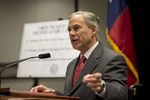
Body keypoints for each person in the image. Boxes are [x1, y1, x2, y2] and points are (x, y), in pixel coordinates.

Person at [30, 11, 128, 100]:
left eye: (76, 28)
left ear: (93, 30)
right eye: (69, 29)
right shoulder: (71, 65)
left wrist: (102, 87)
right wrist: (52, 93)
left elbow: (122, 94)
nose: (71, 33)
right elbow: (72, 96)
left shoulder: (112, 59)